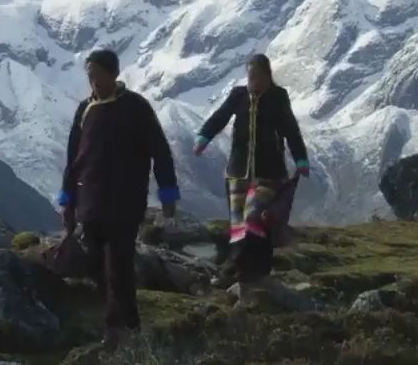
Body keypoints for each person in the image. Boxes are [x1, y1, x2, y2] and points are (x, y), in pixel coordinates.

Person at [58, 49, 180, 347]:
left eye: (97, 75)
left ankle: (118, 329)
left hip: (125, 202)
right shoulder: (85, 109)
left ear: (113, 74)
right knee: (98, 266)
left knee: (119, 264)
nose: (93, 82)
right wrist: (68, 197)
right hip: (91, 202)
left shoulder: (136, 108)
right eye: (89, 76)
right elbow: (74, 156)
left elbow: (160, 151)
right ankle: (124, 324)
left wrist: (167, 193)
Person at [193, 53, 309, 306]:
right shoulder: (238, 96)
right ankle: (244, 271)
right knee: (238, 225)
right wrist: (203, 138)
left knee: (254, 216)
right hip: (238, 170)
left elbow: (290, 129)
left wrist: (301, 159)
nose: (253, 82)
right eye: (250, 77)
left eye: (257, 77)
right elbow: (220, 117)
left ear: (268, 77)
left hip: (269, 172)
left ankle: (250, 268)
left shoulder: (278, 97)